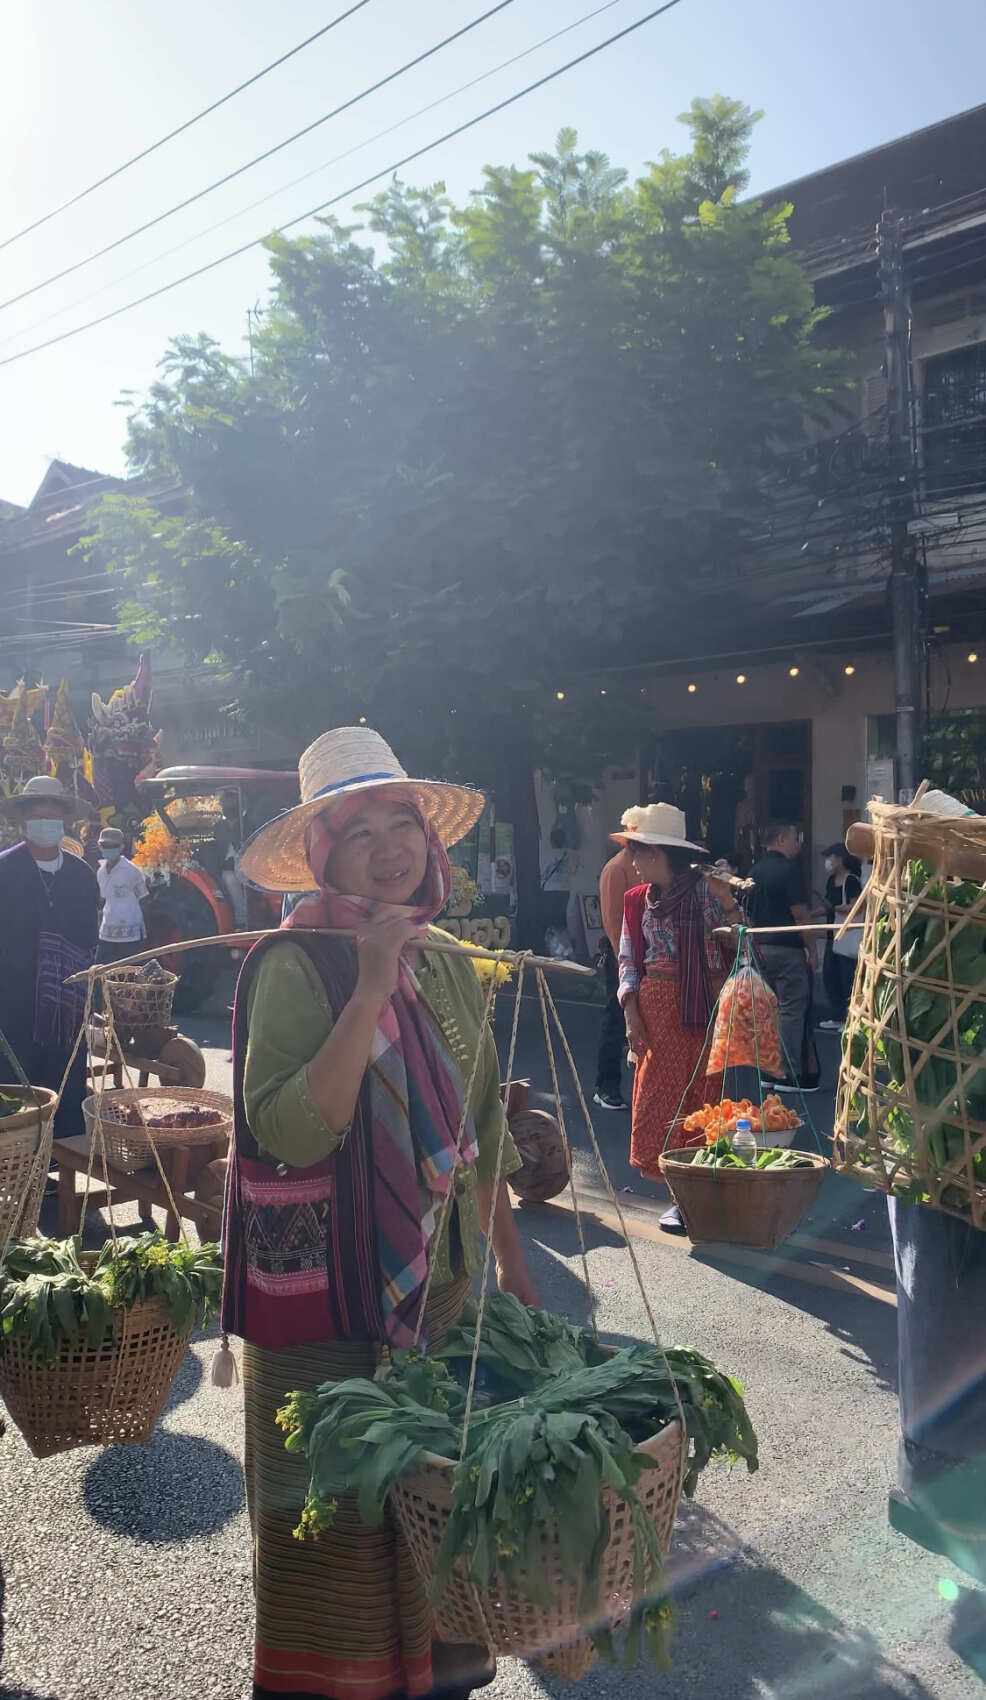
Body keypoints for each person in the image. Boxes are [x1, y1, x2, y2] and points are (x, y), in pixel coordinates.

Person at [227, 726, 537, 1700]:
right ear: (322, 853)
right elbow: (292, 1128)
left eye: (399, 823)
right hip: (327, 1313)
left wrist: (514, 1278)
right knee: (339, 1536)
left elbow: (481, 1132)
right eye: (358, 832)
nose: (388, 847)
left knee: (434, 1519)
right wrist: (366, 987)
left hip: (438, 1293)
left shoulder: (446, 959)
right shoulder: (294, 960)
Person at [615, 803, 743, 1231]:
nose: (632, 861)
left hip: (702, 1008)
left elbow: (741, 943)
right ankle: (679, 1193)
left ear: (657, 854)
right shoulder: (638, 900)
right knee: (659, 1102)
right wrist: (631, 1013)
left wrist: (727, 901)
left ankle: (698, 1193)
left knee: (703, 1099)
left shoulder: (707, 892)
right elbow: (628, 960)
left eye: (637, 852)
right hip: (655, 1013)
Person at [0, 775, 98, 1138]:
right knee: (17, 1093)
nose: (45, 822)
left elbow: (90, 940)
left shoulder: (82, 875)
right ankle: (18, 1163)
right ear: (22, 822)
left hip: (67, 1009)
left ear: (65, 822)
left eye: (52, 816)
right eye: (37, 816)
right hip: (13, 1006)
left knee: (66, 1085)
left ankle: (62, 1161)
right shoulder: (5, 870)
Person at [746, 822, 819, 1094]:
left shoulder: (754, 871)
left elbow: (748, 915)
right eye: (794, 839)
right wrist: (812, 949)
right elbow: (800, 914)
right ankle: (788, 1071)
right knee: (791, 1009)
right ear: (780, 839)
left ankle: (767, 1070)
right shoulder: (790, 871)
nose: (797, 844)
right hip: (787, 948)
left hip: (760, 947)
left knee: (767, 1010)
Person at [593, 808, 643, 1111]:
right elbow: (613, 920)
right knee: (616, 1019)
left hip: (643, 955)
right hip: (621, 955)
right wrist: (623, 960)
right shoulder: (616, 869)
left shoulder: (642, 866)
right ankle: (606, 1084)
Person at [818, 842, 863, 1032]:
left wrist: (835, 908)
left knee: (848, 978)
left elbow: (856, 906)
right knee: (830, 977)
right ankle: (837, 1016)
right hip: (832, 935)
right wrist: (810, 914)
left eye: (830, 857)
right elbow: (829, 908)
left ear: (840, 859)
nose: (828, 862)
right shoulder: (831, 881)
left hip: (846, 935)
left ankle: (851, 1018)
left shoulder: (851, 880)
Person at [95, 826, 150, 964]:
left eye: (113, 846)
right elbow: (104, 899)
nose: (109, 849)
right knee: (103, 971)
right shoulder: (101, 872)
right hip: (107, 932)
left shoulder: (131, 871)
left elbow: (143, 899)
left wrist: (141, 929)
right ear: (100, 846)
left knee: (129, 972)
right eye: (106, 845)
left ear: (121, 847)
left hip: (130, 935)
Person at [540, 824, 575, 950]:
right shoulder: (569, 855)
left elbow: (543, 873)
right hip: (564, 889)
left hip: (550, 889)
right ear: (564, 840)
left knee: (550, 919)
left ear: (551, 841)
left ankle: (551, 947)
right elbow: (573, 871)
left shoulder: (547, 855)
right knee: (562, 919)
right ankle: (564, 946)